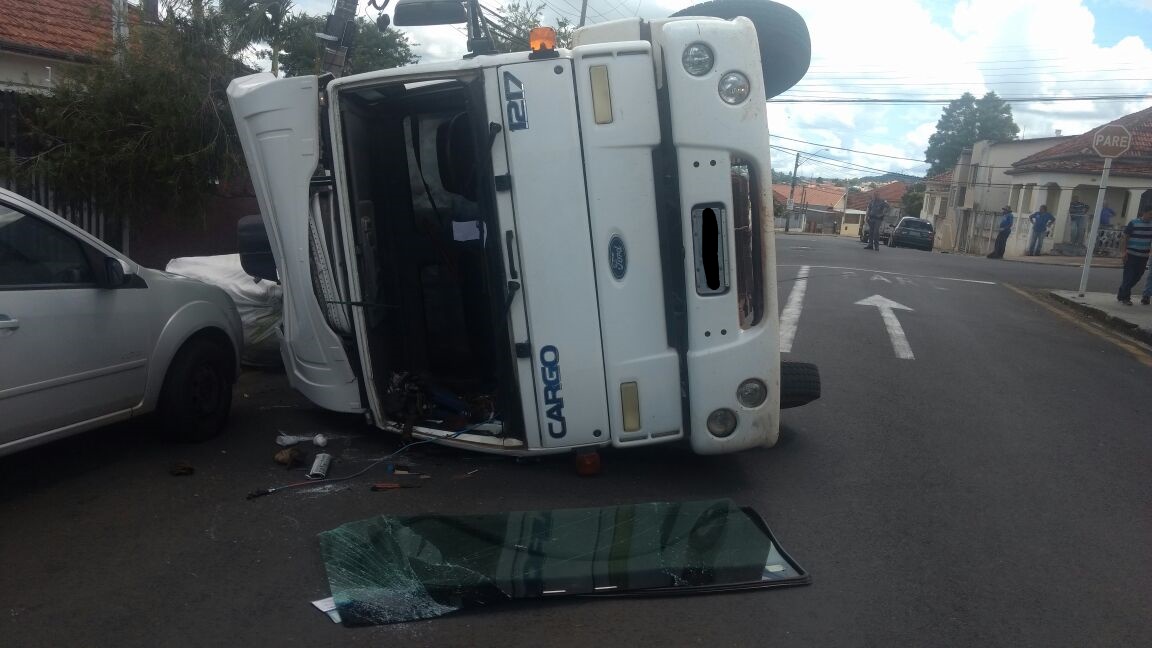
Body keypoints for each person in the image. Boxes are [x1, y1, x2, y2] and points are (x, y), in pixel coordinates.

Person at [1116, 191, 1152, 306]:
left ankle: (1122, 292)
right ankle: (1126, 298)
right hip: (1131, 255)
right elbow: (1124, 238)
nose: (1151, 216)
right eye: (1150, 214)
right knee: (1128, 276)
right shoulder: (1133, 223)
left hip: (1143, 256)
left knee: (1137, 277)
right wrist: (1123, 252)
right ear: (1144, 213)